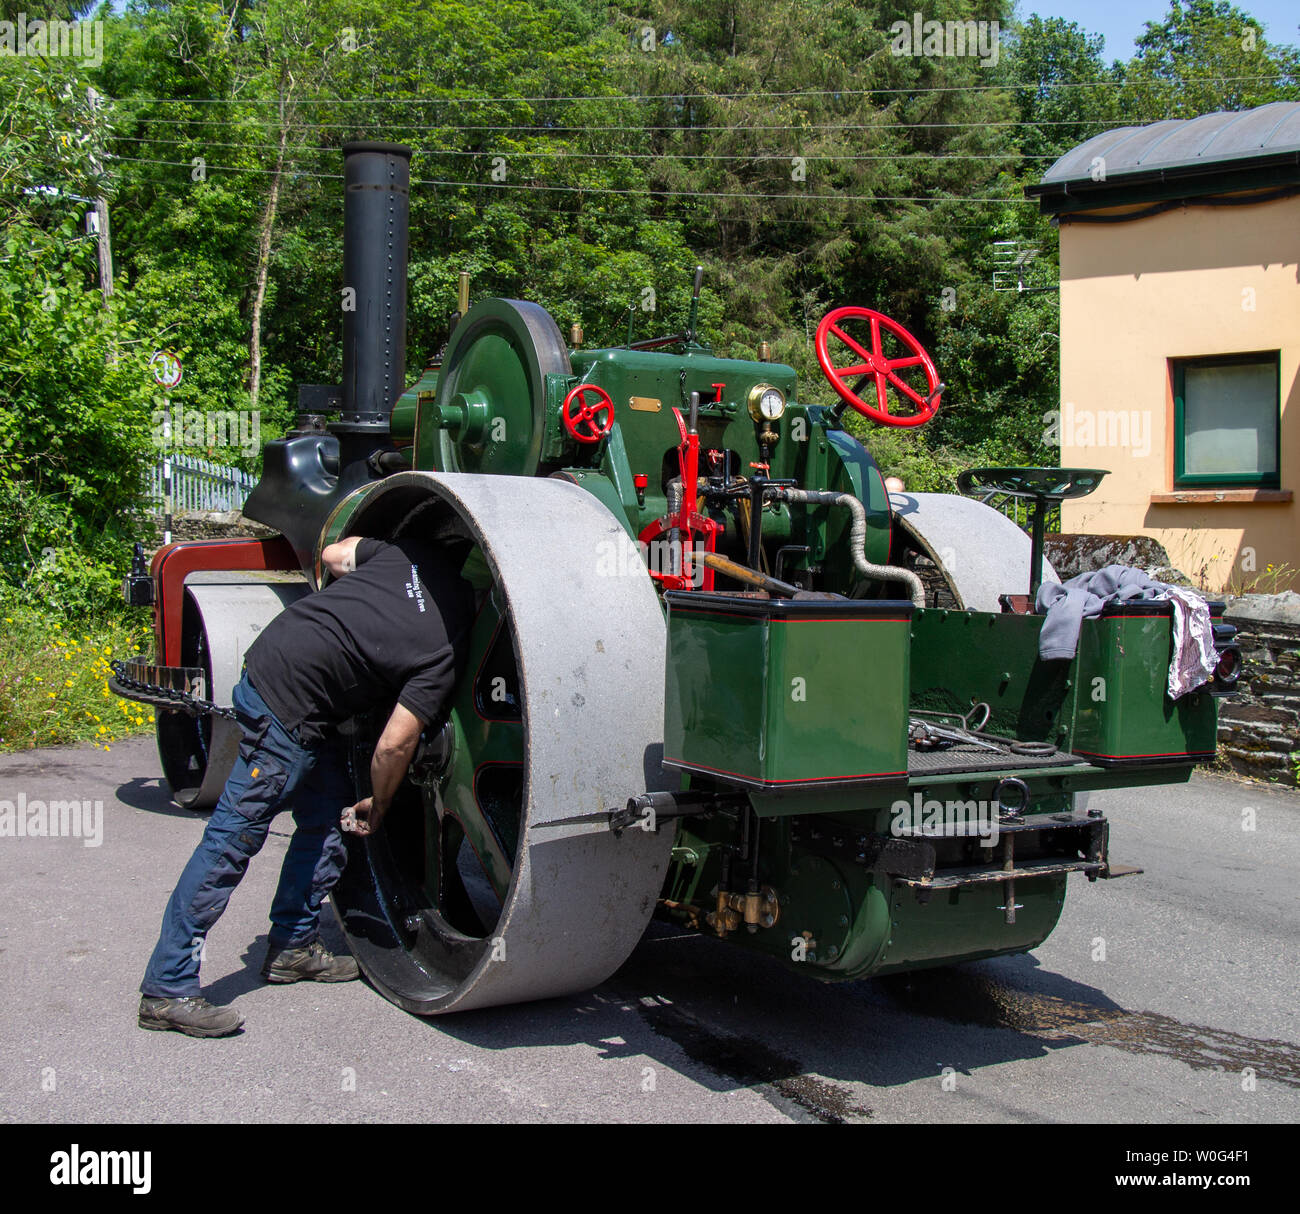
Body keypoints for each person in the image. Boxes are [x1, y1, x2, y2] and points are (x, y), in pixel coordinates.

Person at [137, 530, 475, 1037]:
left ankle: (292, 946)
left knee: (325, 817)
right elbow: (393, 746)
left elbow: (335, 555)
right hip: (287, 705)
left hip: (279, 665)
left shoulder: (407, 554)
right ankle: (167, 988)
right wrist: (380, 803)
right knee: (232, 839)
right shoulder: (446, 647)